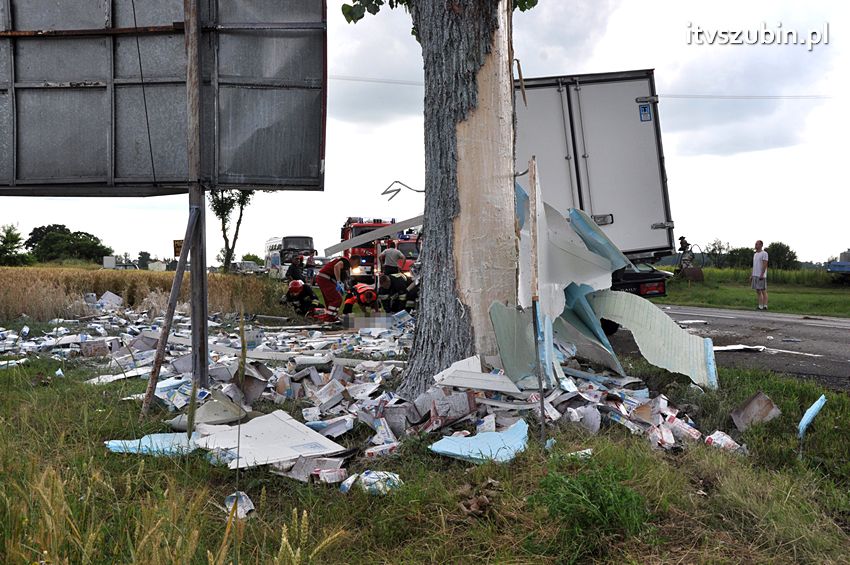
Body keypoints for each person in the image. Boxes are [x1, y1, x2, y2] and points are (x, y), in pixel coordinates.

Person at [315, 256, 351, 321]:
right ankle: (329, 317)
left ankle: (332, 316)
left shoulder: (341, 261)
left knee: (330, 300)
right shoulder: (346, 262)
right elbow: (336, 267)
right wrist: (339, 281)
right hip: (325, 278)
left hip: (323, 278)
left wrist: (344, 285)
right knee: (337, 299)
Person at [752, 240, 769, 310]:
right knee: (758, 291)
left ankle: (763, 306)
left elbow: (765, 264)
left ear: (761, 245)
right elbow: (754, 265)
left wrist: (762, 274)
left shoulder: (764, 253)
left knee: (762, 290)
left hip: (761, 275)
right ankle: (761, 305)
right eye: (755, 244)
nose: (755, 245)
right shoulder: (755, 254)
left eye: (757, 244)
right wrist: (752, 275)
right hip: (755, 275)